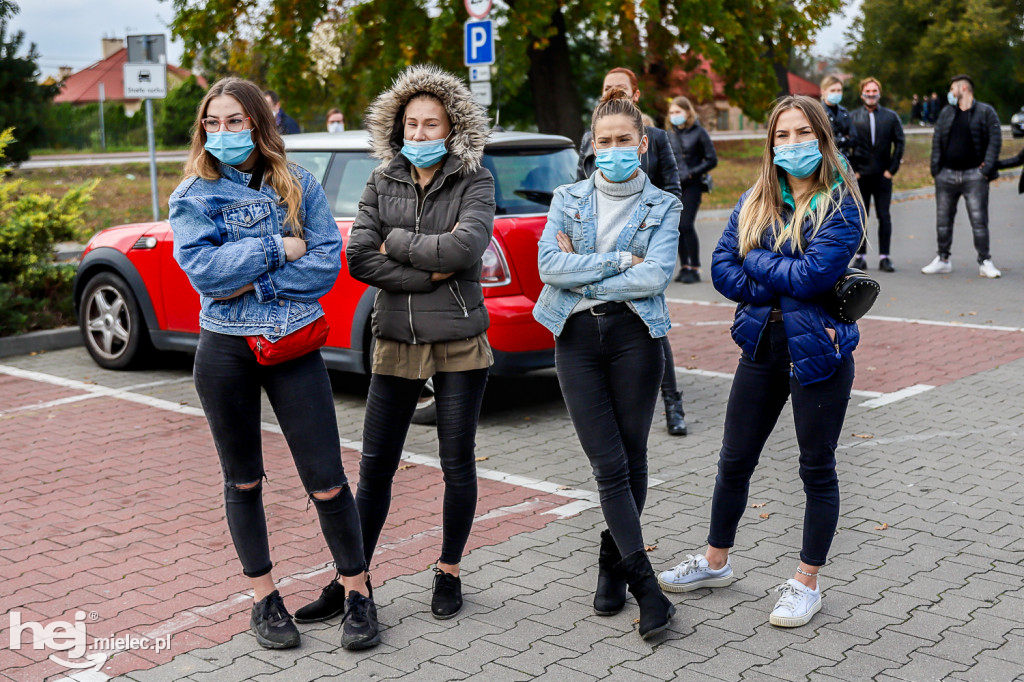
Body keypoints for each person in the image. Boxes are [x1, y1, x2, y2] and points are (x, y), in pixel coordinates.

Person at [169, 77, 378, 651]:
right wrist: (275, 249)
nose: (223, 133)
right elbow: (203, 274)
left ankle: (358, 590)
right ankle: (265, 599)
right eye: (213, 123)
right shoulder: (193, 195)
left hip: (291, 346)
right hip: (224, 352)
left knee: (328, 480)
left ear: (259, 123)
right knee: (242, 481)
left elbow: (325, 268)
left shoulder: (301, 184)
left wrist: (249, 281)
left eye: (235, 121)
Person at [658, 95, 865, 629]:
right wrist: (777, 270)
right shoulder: (757, 197)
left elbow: (814, 277)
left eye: (803, 134)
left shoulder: (842, 204)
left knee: (816, 470)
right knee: (734, 460)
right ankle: (714, 561)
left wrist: (758, 259)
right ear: (770, 143)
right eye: (782, 135)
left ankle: (806, 582)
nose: (792, 144)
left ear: (822, 139)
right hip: (761, 348)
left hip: (819, 353)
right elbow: (723, 269)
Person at [303, 64, 495, 623]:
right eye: (410, 125)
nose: (419, 135)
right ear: (398, 129)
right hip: (395, 338)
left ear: (452, 128)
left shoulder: (475, 179)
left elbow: (466, 249)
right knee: (375, 468)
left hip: (459, 340)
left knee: (457, 463)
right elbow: (359, 256)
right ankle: (351, 578)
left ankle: (449, 570)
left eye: (431, 125)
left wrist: (400, 244)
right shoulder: (381, 178)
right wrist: (424, 273)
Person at [534, 88, 681, 640]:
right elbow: (550, 265)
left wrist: (584, 269)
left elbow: (656, 277)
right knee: (608, 465)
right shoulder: (566, 198)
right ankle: (648, 589)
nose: (614, 148)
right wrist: (619, 259)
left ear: (641, 144)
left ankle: (610, 562)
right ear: (591, 146)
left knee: (632, 456)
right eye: (605, 141)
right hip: (575, 337)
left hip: (636, 337)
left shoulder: (664, 204)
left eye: (625, 140)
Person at [575, 67, 686, 436]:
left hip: (645, 245)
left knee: (650, 321)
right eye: (608, 88)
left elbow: (672, 187)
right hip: (601, 251)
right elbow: (579, 194)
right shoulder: (589, 139)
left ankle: (673, 403)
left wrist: (657, 230)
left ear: (635, 95)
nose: (614, 93)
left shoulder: (655, 137)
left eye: (621, 88)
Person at [921, 74, 1002, 278]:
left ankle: (985, 261)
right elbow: (937, 140)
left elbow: (995, 140)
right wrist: (936, 170)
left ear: (963, 88)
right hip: (946, 175)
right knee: (943, 220)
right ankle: (943, 259)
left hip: (974, 175)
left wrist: (986, 169)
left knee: (979, 220)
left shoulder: (985, 112)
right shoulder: (947, 112)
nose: (950, 93)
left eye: (952, 89)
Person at [849, 77, 904, 272]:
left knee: (884, 216)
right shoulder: (853, 117)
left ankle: (885, 257)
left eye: (874, 91)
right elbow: (846, 146)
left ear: (879, 93)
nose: (871, 94)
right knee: (860, 217)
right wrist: (852, 170)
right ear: (862, 93)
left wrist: (892, 169)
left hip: (883, 175)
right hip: (860, 177)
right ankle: (860, 256)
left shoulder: (890, 117)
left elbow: (899, 142)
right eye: (868, 91)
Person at [665, 95, 718, 285]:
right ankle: (685, 266)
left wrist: (691, 173)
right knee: (677, 227)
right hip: (674, 185)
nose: (674, 116)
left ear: (687, 112)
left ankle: (695, 267)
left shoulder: (699, 132)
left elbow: (712, 159)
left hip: (693, 185)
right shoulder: (670, 134)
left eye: (678, 112)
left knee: (686, 224)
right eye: (671, 112)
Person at [819, 75, 855, 158]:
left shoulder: (844, 112)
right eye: (832, 90)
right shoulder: (818, 111)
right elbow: (822, 140)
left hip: (845, 159)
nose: (836, 93)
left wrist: (835, 139)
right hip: (826, 159)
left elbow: (854, 138)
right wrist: (844, 138)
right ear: (823, 91)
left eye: (839, 90)